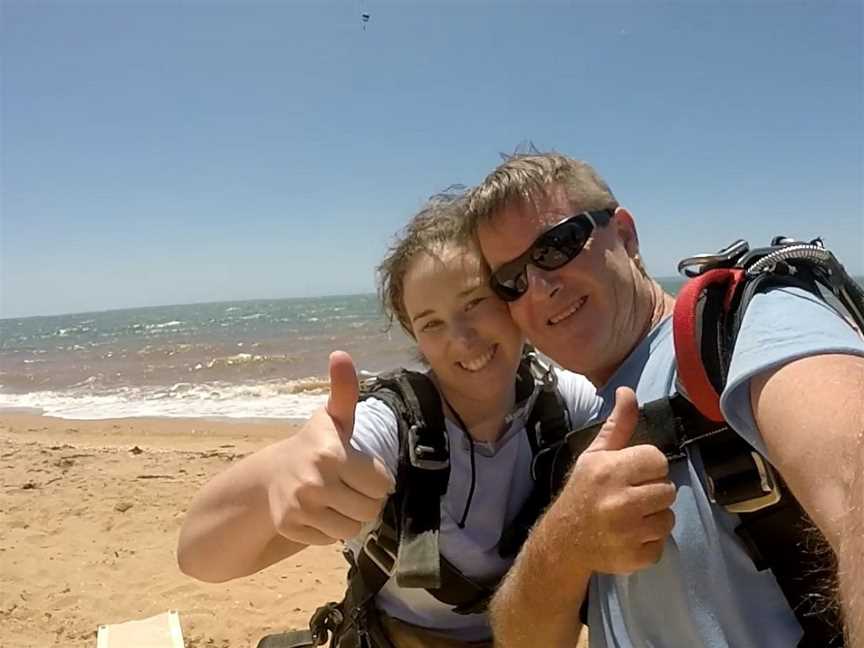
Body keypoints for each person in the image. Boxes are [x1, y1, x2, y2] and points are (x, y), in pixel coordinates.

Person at [461, 152, 864, 647]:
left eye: (557, 245)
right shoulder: (576, 420)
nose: (540, 287)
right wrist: (564, 544)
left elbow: (854, 478)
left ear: (626, 236)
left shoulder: (740, 326)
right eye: (511, 280)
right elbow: (520, 639)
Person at [176, 193, 601, 647]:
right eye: (431, 323)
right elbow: (200, 557)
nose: (460, 339)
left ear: (511, 293)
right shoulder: (395, 428)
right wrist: (283, 468)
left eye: (475, 302)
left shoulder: (560, 402)